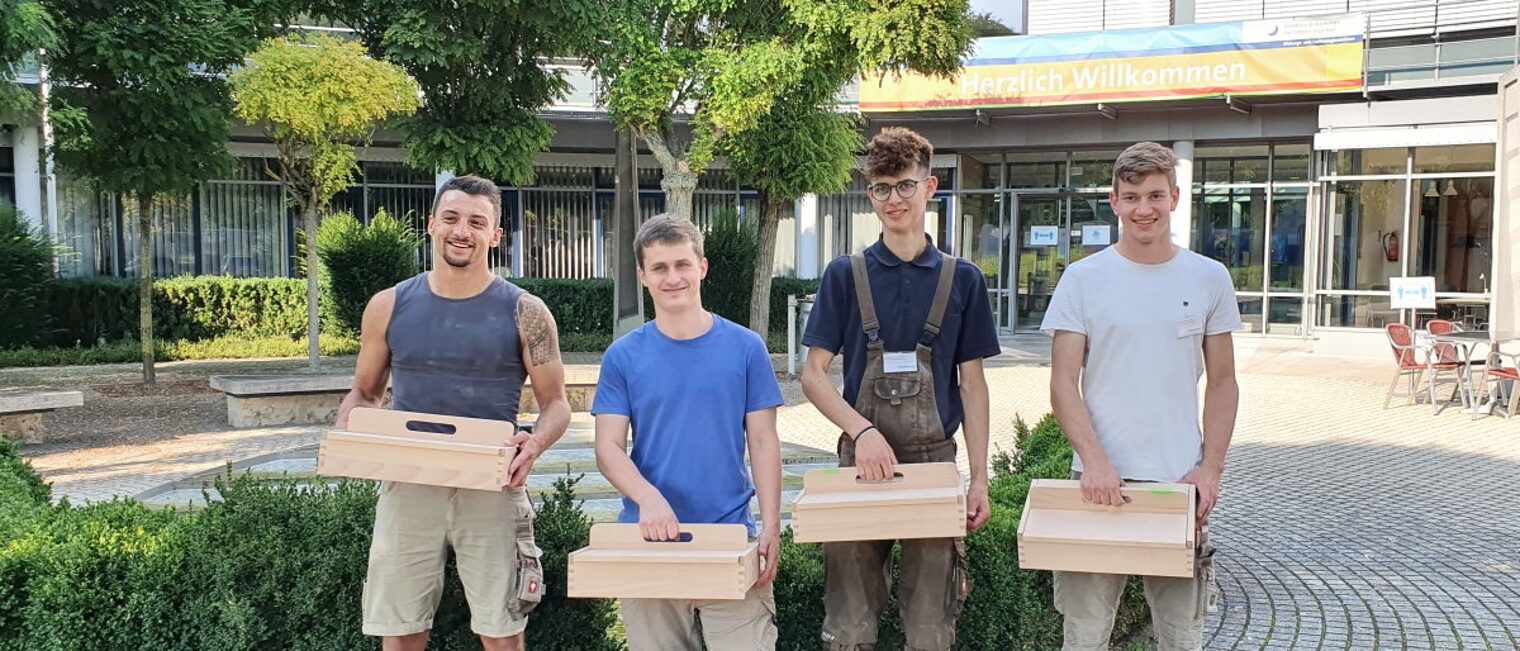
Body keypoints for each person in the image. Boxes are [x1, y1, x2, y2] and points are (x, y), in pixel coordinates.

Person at [335, 174, 573, 651]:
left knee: (501, 632)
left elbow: (557, 404)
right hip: (408, 486)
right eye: (451, 218)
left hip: (493, 485)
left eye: (476, 222)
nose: (462, 230)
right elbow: (363, 393)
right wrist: (350, 435)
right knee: (399, 631)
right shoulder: (388, 305)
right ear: (431, 224)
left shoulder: (526, 311)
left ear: (495, 235)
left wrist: (534, 443)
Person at [801, 127, 1000, 650]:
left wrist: (978, 479)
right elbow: (812, 375)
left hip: (935, 463)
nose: (895, 199)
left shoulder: (964, 279)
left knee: (932, 627)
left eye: (905, 185)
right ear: (870, 194)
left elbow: (973, 387)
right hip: (859, 464)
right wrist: (861, 431)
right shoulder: (844, 275)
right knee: (847, 627)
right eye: (883, 188)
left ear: (929, 186)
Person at [1041, 141, 1243, 651]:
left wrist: (1210, 469)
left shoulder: (1209, 277)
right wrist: (1094, 462)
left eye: (1155, 195)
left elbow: (1223, 382)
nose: (1143, 209)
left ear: (1175, 197)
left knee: (1182, 638)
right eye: (1131, 197)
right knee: (1084, 638)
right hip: (1096, 484)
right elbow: (1063, 382)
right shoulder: (1083, 279)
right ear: (1114, 201)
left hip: (1180, 487)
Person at [592, 214, 785, 650]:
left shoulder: (745, 347)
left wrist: (772, 527)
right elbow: (607, 447)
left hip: (732, 538)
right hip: (649, 541)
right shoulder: (623, 356)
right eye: (659, 268)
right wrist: (648, 498)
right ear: (642, 276)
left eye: (682, 264)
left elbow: (763, 441)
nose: (672, 277)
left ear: (702, 266)